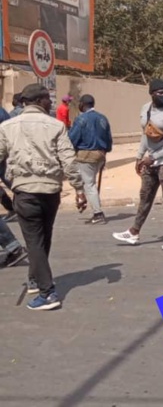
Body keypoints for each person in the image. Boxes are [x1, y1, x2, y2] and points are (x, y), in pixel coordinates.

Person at [0, 84, 85, 310]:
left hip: (26, 192)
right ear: (38, 100)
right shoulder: (56, 126)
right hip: (49, 191)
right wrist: (79, 189)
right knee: (41, 239)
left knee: (37, 240)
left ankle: (46, 292)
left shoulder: (8, 127)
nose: (51, 103)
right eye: (48, 99)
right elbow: (68, 160)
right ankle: (38, 281)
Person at [113, 79, 163, 251]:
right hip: (151, 159)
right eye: (159, 93)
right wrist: (139, 156)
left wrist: (154, 157)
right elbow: (146, 134)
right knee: (145, 195)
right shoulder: (146, 109)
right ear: (152, 93)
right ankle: (134, 232)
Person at [68, 94, 113, 225]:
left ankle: (98, 213)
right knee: (89, 182)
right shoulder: (103, 118)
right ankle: (84, 200)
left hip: (86, 155)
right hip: (100, 154)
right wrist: (105, 151)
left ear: (82, 104)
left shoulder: (81, 119)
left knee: (89, 184)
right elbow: (109, 139)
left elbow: (72, 138)